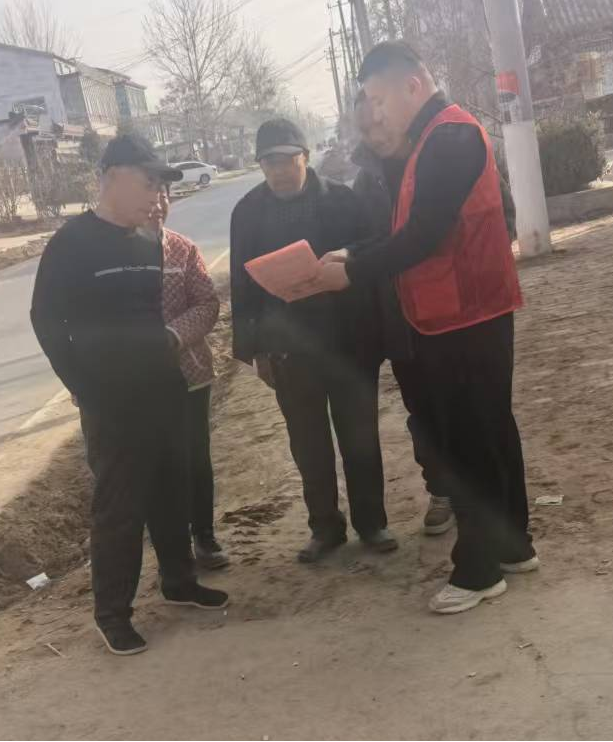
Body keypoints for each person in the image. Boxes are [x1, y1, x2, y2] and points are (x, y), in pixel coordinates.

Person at [317, 41, 536, 617]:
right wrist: (351, 253)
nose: (375, 112)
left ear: (412, 85)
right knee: (490, 431)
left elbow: (424, 235)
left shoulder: (449, 137)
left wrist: (352, 273)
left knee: (467, 444)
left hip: (465, 313)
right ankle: (514, 545)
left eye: (378, 99)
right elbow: (404, 228)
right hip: (462, 311)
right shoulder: (432, 140)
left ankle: (479, 569)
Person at [30, 134, 228, 657]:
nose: (157, 195)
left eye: (162, 185)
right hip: (111, 400)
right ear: (112, 178)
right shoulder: (72, 243)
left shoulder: (145, 241)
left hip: (163, 388)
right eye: (148, 182)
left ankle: (179, 581)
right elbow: (46, 322)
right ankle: (112, 614)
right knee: (120, 506)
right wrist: (82, 385)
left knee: (172, 491)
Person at [229, 116, 395, 563]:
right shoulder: (248, 212)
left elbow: (373, 255)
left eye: (287, 160)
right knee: (308, 444)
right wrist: (254, 350)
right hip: (289, 350)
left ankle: (372, 523)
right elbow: (242, 288)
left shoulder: (343, 200)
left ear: (305, 157)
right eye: (269, 163)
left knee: (360, 437)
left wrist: (348, 259)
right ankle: (325, 527)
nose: (279, 170)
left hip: (348, 341)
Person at [351, 92, 454, 537]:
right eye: (365, 129)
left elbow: (497, 219)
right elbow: (362, 249)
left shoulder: (442, 157)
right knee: (422, 411)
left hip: (454, 316)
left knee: (464, 406)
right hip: (402, 323)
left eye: (379, 122)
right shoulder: (364, 185)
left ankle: (482, 493)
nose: (375, 135)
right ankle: (442, 489)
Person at [149, 186, 229, 571]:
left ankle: (204, 536)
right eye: (149, 194)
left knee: (196, 457)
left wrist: (171, 336)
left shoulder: (182, 249)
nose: (158, 205)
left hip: (189, 373)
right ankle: (171, 547)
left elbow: (207, 304)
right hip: (135, 382)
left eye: (163, 195)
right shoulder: (108, 256)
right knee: (155, 463)